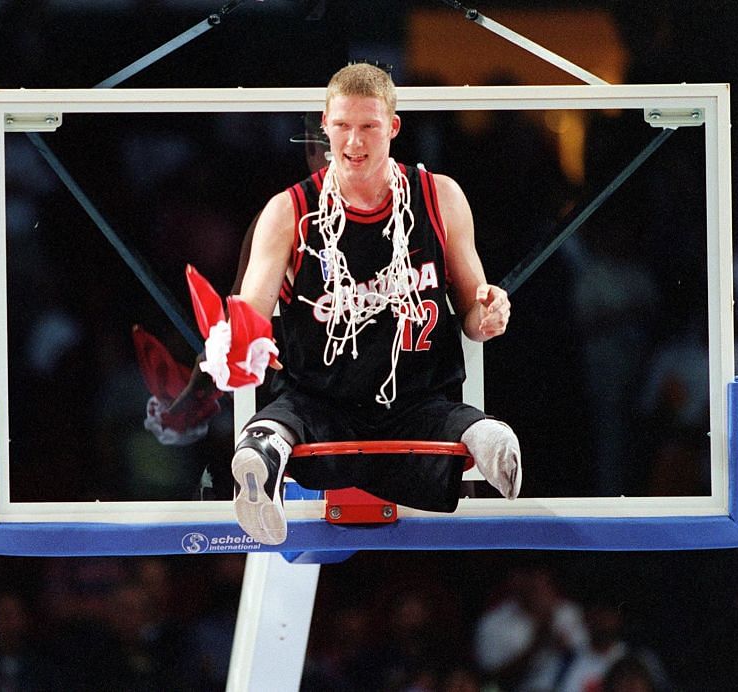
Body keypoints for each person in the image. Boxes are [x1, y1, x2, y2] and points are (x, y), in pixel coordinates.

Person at [168, 63, 522, 545]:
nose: (354, 142)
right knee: (277, 424)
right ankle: (260, 469)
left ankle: (489, 442)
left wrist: (490, 312)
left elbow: (474, 317)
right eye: (342, 127)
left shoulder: (440, 197)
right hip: (321, 399)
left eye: (369, 127)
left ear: (393, 127)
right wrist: (236, 345)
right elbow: (251, 310)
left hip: (416, 398)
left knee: (460, 422)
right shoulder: (288, 210)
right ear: (325, 125)